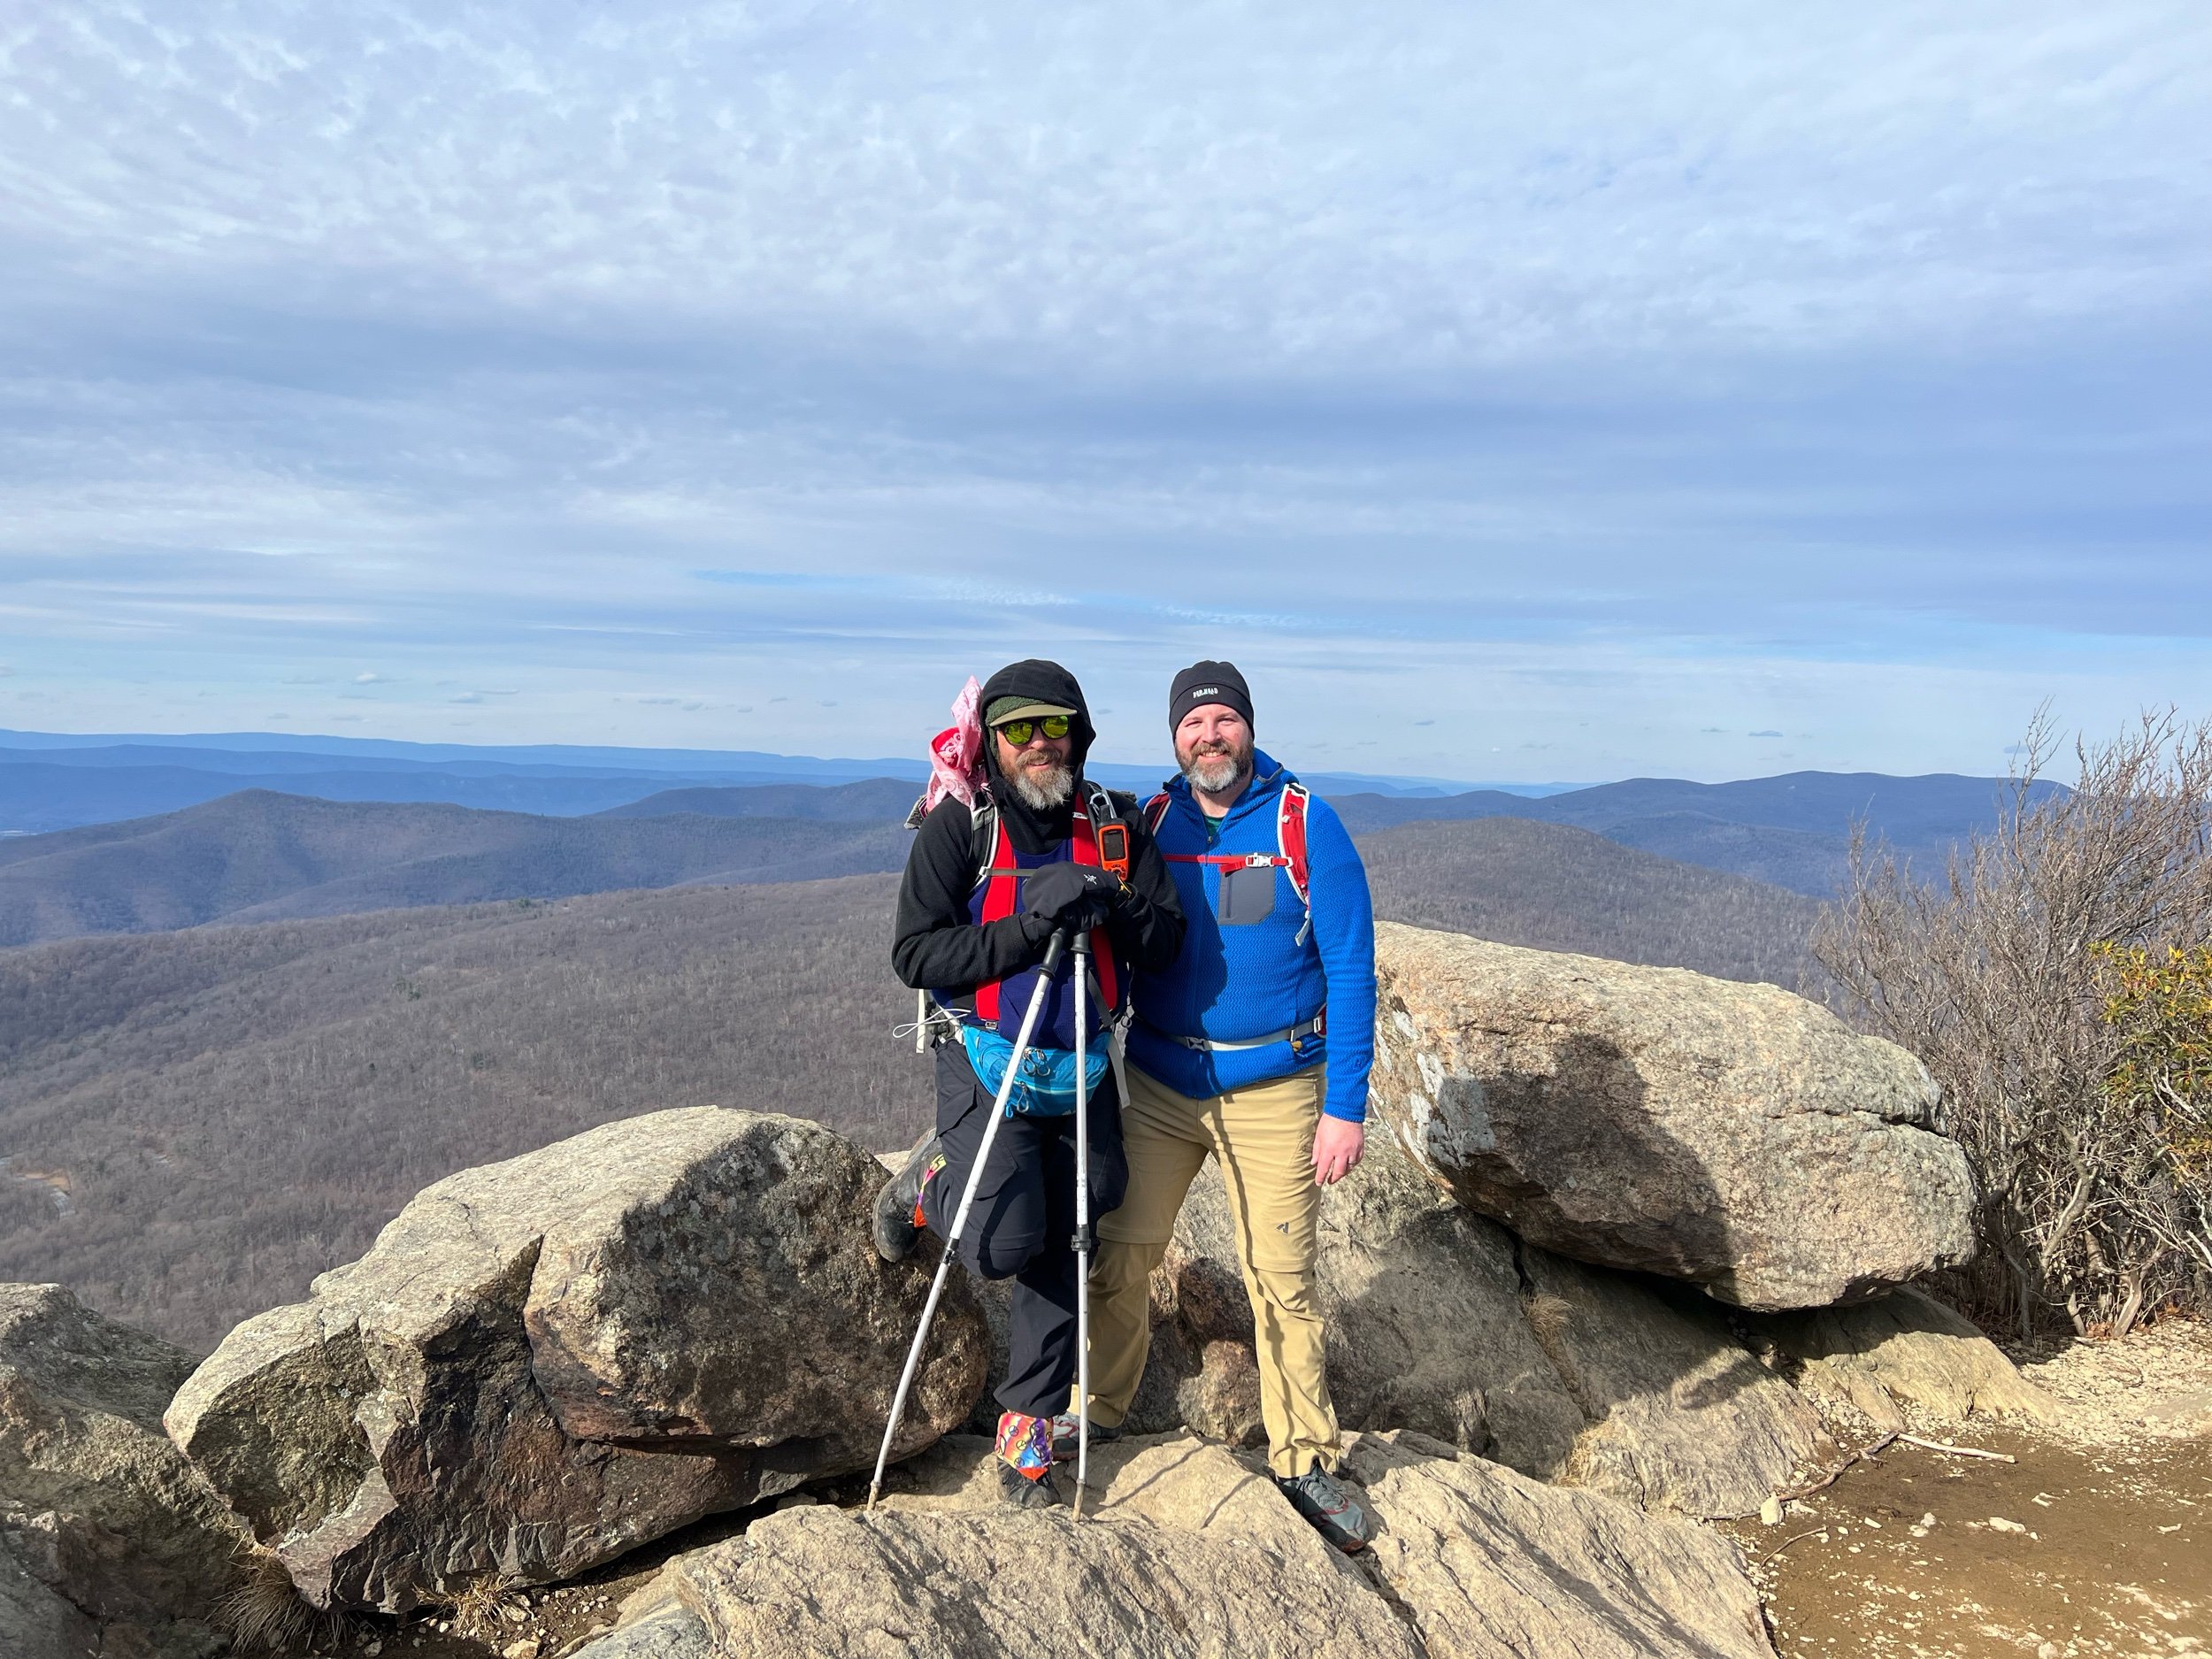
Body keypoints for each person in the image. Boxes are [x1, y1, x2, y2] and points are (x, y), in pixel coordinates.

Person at [1081, 660, 1379, 1551]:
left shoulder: (1304, 824)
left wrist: (1345, 1104)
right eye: (1192, 724)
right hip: (1163, 1080)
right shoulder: (1153, 822)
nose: (1208, 736)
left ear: (1247, 726)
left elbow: (1352, 967)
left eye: (1222, 720)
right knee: (1121, 1250)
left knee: (1281, 1282)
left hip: (1275, 1086)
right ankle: (1092, 1411)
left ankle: (1304, 1458)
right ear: (1174, 737)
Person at [876, 658, 1185, 1509]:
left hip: (1080, 1062)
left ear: (1079, 735)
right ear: (993, 743)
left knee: (1077, 1221)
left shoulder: (1116, 826)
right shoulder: (961, 830)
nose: (1038, 744)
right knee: (1002, 1243)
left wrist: (1113, 904)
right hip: (987, 1055)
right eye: (1017, 730)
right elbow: (916, 955)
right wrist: (1026, 927)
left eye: (1054, 727)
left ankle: (1029, 1423)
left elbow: (1167, 942)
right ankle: (929, 1185)